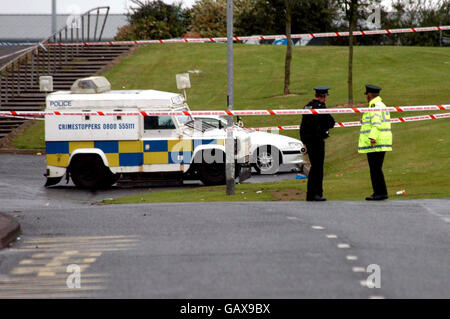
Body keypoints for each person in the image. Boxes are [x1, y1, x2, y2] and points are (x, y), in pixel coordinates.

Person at [300, 86, 335, 201]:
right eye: (325, 96)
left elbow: (303, 126)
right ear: (323, 96)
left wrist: (304, 141)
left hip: (308, 140)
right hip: (317, 140)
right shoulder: (320, 107)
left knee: (314, 167)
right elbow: (330, 122)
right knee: (318, 168)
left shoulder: (307, 106)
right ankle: (316, 193)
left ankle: (311, 193)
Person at [358, 84, 392, 200]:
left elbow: (376, 123)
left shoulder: (375, 106)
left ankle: (379, 193)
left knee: (375, 169)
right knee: (376, 169)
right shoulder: (380, 105)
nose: (366, 97)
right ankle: (380, 192)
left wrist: (372, 138)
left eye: (367, 95)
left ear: (369, 95)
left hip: (376, 142)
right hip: (380, 141)